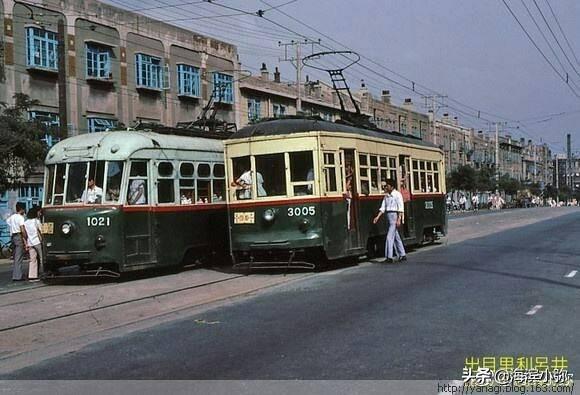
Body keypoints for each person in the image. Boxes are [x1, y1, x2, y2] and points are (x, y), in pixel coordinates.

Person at [373, 179, 407, 263]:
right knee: (396, 237)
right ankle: (402, 254)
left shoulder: (397, 195)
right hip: (388, 217)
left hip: (394, 216)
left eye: (387, 185)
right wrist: (377, 217)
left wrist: (399, 219)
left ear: (392, 186)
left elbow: (400, 207)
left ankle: (389, 257)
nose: (386, 187)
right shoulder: (386, 196)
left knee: (389, 237)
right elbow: (383, 207)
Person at [6, 203, 27, 281]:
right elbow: (22, 229)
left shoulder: (12, 217)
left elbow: (8, 222)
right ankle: (18, 276)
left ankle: (16, 274)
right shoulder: (20, 218)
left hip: (13, 237)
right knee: (19, 257)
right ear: (21, 209)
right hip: (18, 236)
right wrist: (25, 237)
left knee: (15, 257)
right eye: (24, 209)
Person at [24, 207, 42, 282]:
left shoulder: (26, 222)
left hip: (30, 242)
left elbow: (25, 233)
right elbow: (41, 230)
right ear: (36, 213)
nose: (40, 214)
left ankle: (32, 276)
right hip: (37, 242)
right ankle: (44, 272)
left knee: (32, 260)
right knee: (41, 258)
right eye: (39, 212)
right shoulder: (36, 221)